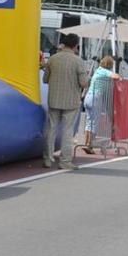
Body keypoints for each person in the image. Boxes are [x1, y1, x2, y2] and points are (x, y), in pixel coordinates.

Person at [42, 32, 89, 169]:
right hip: (71, 101)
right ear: (75, 46)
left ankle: (47, 158)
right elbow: (84, 83)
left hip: (54, 99)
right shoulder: (78, 61)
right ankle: (65, 161)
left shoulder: (53, 59)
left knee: (51, 129)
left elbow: (45, 79)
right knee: (67, 131)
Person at [81, 55, 121, 151]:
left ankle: (87, 143)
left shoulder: (98, 70)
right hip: (96, 97)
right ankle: (90, 145)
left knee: (89, 122)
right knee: (94, 122)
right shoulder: (105, 71)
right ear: (110, 65)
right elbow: (117, 76)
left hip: (88, 97)